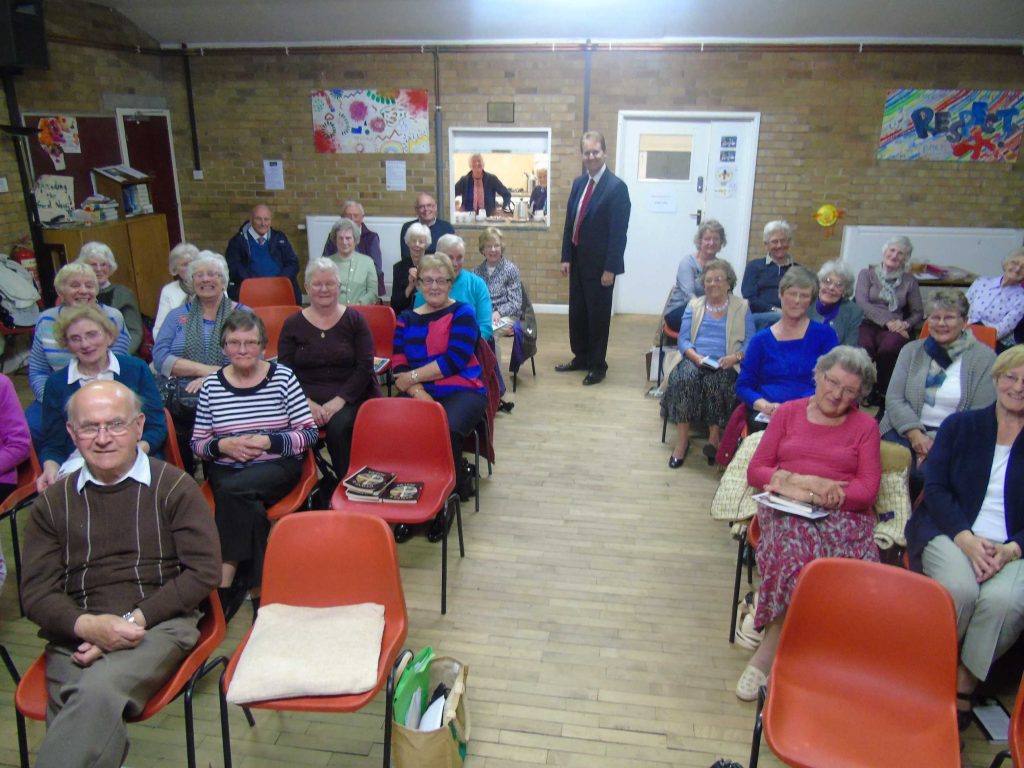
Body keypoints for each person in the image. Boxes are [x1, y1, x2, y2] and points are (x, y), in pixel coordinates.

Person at [20, 380, 220, 768]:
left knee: (92, 692)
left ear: (139, 426)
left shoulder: (174, 487)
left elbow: (204, 572)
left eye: (115, 424)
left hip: (157, 624)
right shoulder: (52, 503)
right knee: (85, 700)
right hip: (75, 632)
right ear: (71, 434)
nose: (103, 438)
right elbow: (37, 594)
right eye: (89, 427)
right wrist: (87, 626)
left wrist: (127, 622)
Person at [735, 346, 881, 701]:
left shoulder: (865, 426)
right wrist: (808, 485)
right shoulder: (787, 413)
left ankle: (807, 648)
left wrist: (808, 491)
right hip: (785, 509)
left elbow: (866, 489)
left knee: (848, 568)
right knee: (795, 554)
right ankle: (771, 652)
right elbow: (757, 471)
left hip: (843, 516)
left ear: (859, 395)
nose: (836, 394)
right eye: (832, 382)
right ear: (817, 376)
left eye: (849, 391)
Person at [905, 345, 1024, 729]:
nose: (1019, 387)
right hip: (949, 530)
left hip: (1012, 546)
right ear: (996, 379)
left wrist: (1010, 549)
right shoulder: (962, 426)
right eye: (1011, 377)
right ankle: (923, 672)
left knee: (1005, 601)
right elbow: (935, 488)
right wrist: (966, 539)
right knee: (961, 590)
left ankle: (962, 684)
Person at [191, 310, 317, 617]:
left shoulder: (283, 377)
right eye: (235, 343)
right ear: (223, 348)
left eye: (251, 342)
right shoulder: (211, 386)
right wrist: (224, 445)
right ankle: (260, 588)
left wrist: (267, 441)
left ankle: (226, 579)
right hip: (228, 467)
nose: (243, 350)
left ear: (263, 346)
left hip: (276, 467)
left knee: (232, 493)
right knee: (247, 505)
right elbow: (198, 445)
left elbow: (309, 433)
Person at [393, 253, 487, 542]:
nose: (434, 286)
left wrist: (413, 379)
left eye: (441, 280)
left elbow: (455, 359)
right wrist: (417, 391)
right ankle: (411, 503)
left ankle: (445, 502)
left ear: (451, 282)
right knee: (398, 432)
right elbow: (398, 365)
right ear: (418, 283)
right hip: (420, 391)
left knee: (444, 428)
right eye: (428, 280)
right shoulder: (405, 318)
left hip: (462, 388)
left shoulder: (463, 312)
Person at [37, 305, 166, 491]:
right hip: (80, 463)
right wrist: (51, 467)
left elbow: (156, 427)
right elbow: (53, 443)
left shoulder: (136, 369)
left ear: (109, 336)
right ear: (67, 344)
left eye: (92, 334)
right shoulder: (56, 383)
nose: (85, 344)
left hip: (136, 454)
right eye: (75, 338)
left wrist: (132, 454)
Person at [880, 290, 996, 493]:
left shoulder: (985, 358)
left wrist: (935, 441)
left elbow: (980, 413)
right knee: (890, 466)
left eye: (949, 317)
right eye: (935, 317)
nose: (941, 323)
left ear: (965, 321)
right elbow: (894, 399)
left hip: (956, 435)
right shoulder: (911, 351)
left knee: (931, 474)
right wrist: (917, 436)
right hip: (904, 429)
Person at [278, 258, 380, 477]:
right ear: (306, 287)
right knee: (288, 426)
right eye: (317, 284)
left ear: (339, 286)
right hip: (304, 398)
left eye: (330, 283)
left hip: (352, 396)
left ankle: (347, 485)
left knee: (338, 427)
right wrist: (306, 403)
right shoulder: (292, 324)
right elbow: (285, 371)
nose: (324, 289)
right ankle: (307, 485)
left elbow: (365, 366)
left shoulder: (355, 320)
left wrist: (339, 400)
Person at [153, 251, 247, 475]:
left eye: (213, 274)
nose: (206, 279)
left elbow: (252, 358)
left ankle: (219, 479)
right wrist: (206, 371)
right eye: (199, 275)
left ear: (224, 281)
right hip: (183, 396)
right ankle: (184, 479)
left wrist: (212, 379)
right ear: (191, 281)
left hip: (230, 391)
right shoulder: (176, 316)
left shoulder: (243, 315)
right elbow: (160, 357)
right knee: (175, 424)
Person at [661, 260, 753, 468]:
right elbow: (683, 340)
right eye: (708, 280)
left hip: (727, 360)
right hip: (696, 358)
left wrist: (735, 357)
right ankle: (682, 442)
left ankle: (714, 439)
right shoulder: (694, 305)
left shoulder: (742, 306)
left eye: (718, 279)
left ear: (729, 282)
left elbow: (750, 341)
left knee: (719, 383)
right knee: (684, 379)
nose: (713, 284)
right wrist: (695, 357)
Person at [557, 130, 632, 386]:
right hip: (577, 262)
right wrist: (566, 256)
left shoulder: (616, 188)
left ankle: (598, 365)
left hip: (601, 268)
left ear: (605, 153)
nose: (591, 156)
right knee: (577, 313)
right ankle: (581, 356)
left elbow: (618, 234)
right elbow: (570, 223)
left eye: (595, 151)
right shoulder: (579, 183)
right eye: (586, 152)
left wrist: (610, 268)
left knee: (597, 317)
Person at [27, 263, 131, 444]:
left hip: (104, 390)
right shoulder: (45, 320)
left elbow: (115, 366)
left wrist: (87, 402)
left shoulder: (113, 317)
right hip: (57, 392)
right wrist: (52, 399)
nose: (83, 291)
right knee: (31, 427)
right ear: (61, 291)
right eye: (75, 285)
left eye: (89, 286)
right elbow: (38, 370)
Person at [736, 266, 839, 432]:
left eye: (804, 295)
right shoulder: (760, 340)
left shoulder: (825, 335)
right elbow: (743, 386)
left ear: (811, 300)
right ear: (780, 294)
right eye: (792, 293)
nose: (797, 301)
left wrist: (796, 407)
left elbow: (833, 381)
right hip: (768, 413)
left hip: (811, 409)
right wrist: (763, 405)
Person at [855, 235, 924, 400]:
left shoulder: (910, 281)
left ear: (905, 258)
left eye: (900, 253)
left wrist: (905, 325)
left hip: (896, 325)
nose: (894, 255)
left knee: (890, 347)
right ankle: (860, 387)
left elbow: (918, 312)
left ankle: (884, 390)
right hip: (868, 321)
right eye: (892, 250)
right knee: (863, 347)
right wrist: (887, 322)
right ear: (884, 252)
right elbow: (862, 302)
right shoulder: (867, 274)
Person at [419, 234, 494, 341]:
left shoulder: (477, 285)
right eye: (450, 258)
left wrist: (464, 347)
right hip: (431, 348)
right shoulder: (426, 286)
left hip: (469, 348)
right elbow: (417, 324)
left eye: (459, 258)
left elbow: (485, 327)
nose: (455, 263)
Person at [224, 204, 301, 303]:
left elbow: (293, 263)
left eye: (266, 219)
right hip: (251, 291)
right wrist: (257, 285)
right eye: (258, 219)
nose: (263, 223)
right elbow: (234, 268)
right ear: (251, 220)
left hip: (279, 289)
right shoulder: (237, 242)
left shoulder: (279, 238)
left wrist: (278, 281)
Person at [76, 242, 143, 355]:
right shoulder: (77, 294)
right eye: (93, 265)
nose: (99, 269)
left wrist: (116, 358)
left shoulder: (123, 293)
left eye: (103, 265)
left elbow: (135, 332)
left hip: (119, 355)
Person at [663, 219, 727, 332]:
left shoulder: (722, 266)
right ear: (700, 241)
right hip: (681, 310)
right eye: (707, 239)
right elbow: (690, 296)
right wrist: (711, 310)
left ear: (721, 242)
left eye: (716, 239)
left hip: (709, 310)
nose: (711, 243)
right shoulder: (688, 263)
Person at [741, 220, 798, 330]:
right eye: (774, 242)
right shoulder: (754, 267)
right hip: (761, 317)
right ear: (766, 245)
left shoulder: (798, 270)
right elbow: (749, 298)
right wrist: (775, 310)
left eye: (783, 241)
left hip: (791, 315)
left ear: (789, 242)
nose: (779, 245)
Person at [322, 200, 385, 297]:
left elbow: (377, 269)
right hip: (338, 284)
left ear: (362, 218)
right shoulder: (333, 236)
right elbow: (324, 263)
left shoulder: (371, 237)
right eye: (348, 215)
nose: (351, 219)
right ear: (342, 218)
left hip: (364, 285)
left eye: (355, 215)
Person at [967, 247, 1024, 351]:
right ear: (1006, 263)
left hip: (994, 343)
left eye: (1023, 267)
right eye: (1014, 263)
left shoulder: (1021, 299)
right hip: (964, 333)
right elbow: (961, 310)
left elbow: (999, 332)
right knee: (931, 343)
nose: (1017, 269)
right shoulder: (981, 282)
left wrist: (971, 332)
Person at [472, 227, 522, 338]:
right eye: (488, 246)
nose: (493, 250)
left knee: (489, 332)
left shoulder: (511, 270)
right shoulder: (476, 272)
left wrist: (498, 312)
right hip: (483, 315)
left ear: (502, 247)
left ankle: (492, 356)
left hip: (507, 315)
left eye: (496, 246)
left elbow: (516, 303)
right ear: (483, 250)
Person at [807, 260, 862, 346]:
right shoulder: (806, 302)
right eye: (827, 281)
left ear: (845, 290)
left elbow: (850, 347)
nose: (831, 287)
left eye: (839, 285)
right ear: (819, 283)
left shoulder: (853, 311)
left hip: (835, 357)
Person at [326, 217, 378, 305]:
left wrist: (358, 305)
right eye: (340, 238)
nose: (344, 242)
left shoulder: (368, 262)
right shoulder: (326, 263)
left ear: (355, 239)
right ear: (335, 240)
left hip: (360, 312)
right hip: (333, 312)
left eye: (348, 238)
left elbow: (373, 293)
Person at [154, 242, 199, 338]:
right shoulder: (169, 291)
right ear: (175, 268)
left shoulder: (214, 286)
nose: (190, 268)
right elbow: (159, 330)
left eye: (193, 263)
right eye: (184, 264)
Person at [398, 192, 454, 262]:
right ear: (416, 210)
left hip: (440, 269)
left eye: (429, 205)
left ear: (435, 207)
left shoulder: (447, 228)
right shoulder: (408, 227)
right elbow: (406, 256)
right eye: (421, 206)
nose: (426, 209)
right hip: (415, 269)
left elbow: (451, 256)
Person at [392, 222, 431, 314]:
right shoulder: (399, 268)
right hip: (406, 316)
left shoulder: (433, 266)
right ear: (408, 243)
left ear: (426, 244)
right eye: (413, 241)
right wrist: (410, 287)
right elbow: (395, 305)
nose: (417, 245)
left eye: (421, 242)